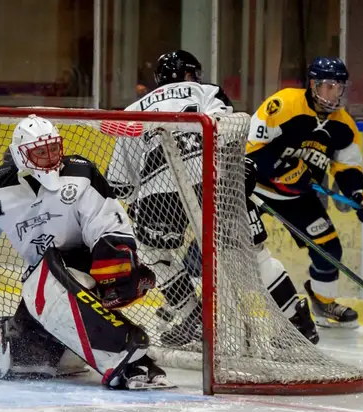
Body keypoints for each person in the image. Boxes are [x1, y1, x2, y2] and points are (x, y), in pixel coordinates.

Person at [0, 114, 172, 390]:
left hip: (82, 275)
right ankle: (48, 340)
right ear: (21, 156)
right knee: (27, 363)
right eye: (40, 151)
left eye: (54, 148)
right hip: (40, 286)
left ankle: (130, 356)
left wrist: (116, 264)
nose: (50, 157)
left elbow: (108, 226)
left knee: (54, 281)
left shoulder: (81, 174)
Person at [107, 49, 318, 346]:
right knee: (255, 255)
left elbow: (121, 184)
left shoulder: (132, 111)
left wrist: (137, 204)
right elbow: (228, 131)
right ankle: (297, 322)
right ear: (191, 73)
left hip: (160, 190)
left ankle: (192, 317)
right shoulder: (207, 91)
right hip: (215, 180)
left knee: (153, 254)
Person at [246, 57, 363, 329]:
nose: (336, 93)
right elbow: (253, 147)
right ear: (313, 85)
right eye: (330, 86)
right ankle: (185, 297)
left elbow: (346, 171)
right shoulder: (284, 104)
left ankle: (323, 302)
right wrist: (280, 169)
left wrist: (361, 196)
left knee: (329, 248)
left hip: (297, 196)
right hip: (255, 189)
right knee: (218, 240)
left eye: (340, 87)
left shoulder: (344, 126)